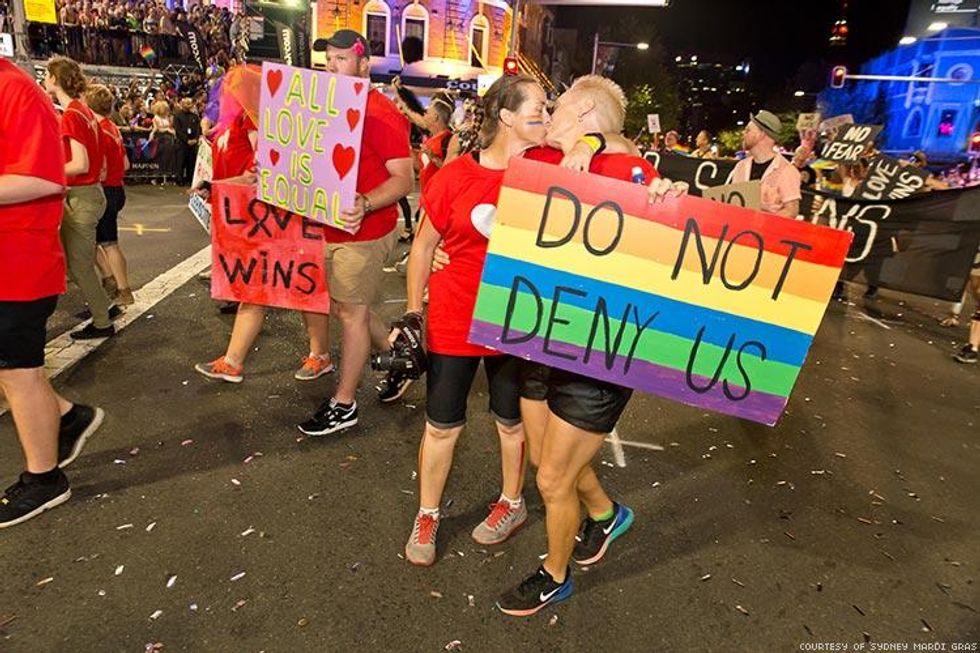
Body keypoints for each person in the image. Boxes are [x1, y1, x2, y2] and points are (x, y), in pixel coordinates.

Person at [491, 75, 686, 617]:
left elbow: (670, 243)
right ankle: (604, 516)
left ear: (586, 118)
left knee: (553, 477)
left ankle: (555, 577)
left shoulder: (631, 172)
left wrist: (668, 200)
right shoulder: (557, 163)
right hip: (539, 338)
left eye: (561, 108)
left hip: (598, 353)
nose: (550, 113)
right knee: (548, 465)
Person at [0, 58, 105, 528]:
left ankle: (44, 479)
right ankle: (66, 416)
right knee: (17, 372)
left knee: (18, 374)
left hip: (16, 262)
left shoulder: (15, 91)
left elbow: (46, 174)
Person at [296, 30, 413, 436]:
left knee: (351, 314)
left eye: (342, 58)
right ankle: (398, 348)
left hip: (365, 230)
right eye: (328, 57)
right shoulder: (319, 109)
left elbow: (403, 179)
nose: (331, 65)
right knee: (347, 306)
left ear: (364, 65)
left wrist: (365, 203)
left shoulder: (380, 113)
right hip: (325, 227)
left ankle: (344, 404)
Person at [194, 64, 333, 382]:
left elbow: (258, 175)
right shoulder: (232, 123)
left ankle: (322, 354)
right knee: (258, 289)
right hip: (250, 219)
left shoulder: (257, 124)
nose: (228, 90)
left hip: (274, 219)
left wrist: (217, 187)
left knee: (300, 286)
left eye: (236, 85)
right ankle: (235, 361)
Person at [44, 56, 113, 340]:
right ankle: (102, 308)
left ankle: (102, 321)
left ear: (55, 79)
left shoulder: (72, 114)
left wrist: (48, 173)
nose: (45, 79)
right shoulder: (82, 111)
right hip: (90, 193)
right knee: (80, 262)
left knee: (80, 266)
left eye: (47, 74)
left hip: (82, 195)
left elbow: (80, 164)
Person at [85, 84, 135, 307]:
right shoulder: (113, 127)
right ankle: (114, 283)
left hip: (104, 189)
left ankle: (120, 287)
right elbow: (125, 164)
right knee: (104, 241)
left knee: (104, 243)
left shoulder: (97, 129)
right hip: (117, 188)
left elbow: (102, 168)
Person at [728, 110, 801, 217]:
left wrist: (764, 222)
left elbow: (791, 211)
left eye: (748, 130)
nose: (743, 134)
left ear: (761, 134)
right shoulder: (741, 167)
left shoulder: (787, 171)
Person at [174, 97, 202, 186]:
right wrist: (186, 140)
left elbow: (198, 129)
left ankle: (190, 179)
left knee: (191, 162)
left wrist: (196, 139)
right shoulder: (177, 115)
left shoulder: (194, 116)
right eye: (187, 103)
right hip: (182, 142)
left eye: (190, 103)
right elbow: (178, 130)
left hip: (193, 142)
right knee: (180, 162)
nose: (189, 105)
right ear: (182, 104)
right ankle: (179, 179)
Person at [150, 99, 177, 185]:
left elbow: (170, 128)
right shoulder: (156, 118)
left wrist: (171, 131)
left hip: (169, 140)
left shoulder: (167, 118)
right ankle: (157, 177)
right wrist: (167, 130)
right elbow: (157, 129)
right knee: (160, 159)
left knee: (169, 158)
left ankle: (167, 177)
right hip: (161, 140)